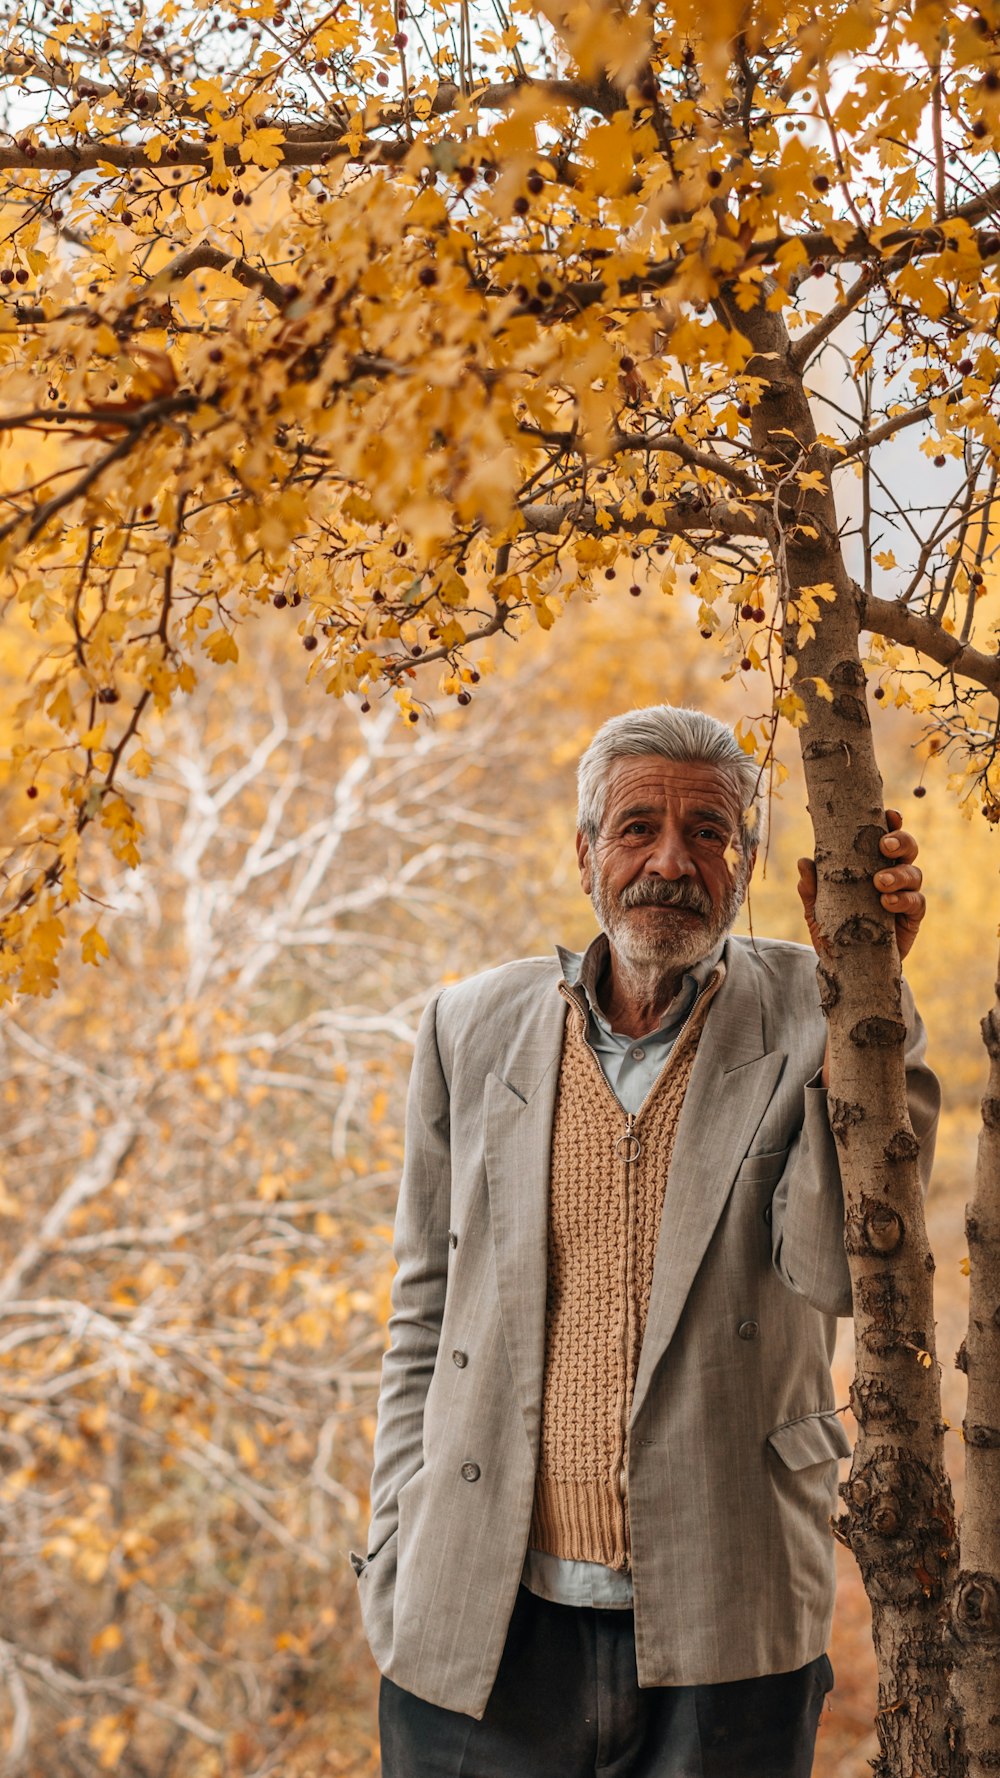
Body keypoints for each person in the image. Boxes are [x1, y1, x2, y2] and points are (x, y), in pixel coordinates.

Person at [352, 705, 937, 1778]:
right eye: (636, 827)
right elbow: (422, 1306)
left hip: (729, 1605)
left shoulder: (821, 1013)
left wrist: (867, 992)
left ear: (745, 861)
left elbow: (834, 1268)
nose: (671, 860)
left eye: (708, 832)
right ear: (583, 853)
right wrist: (395, 1535)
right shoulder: (468, 1024)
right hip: (477, 1609)